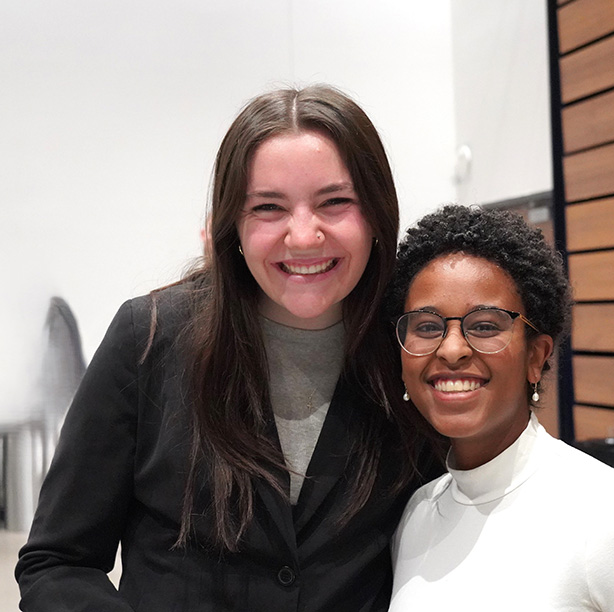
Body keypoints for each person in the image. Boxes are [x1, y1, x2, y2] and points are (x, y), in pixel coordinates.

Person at [16, 84, 439, 612]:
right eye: (268, 207)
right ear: (232, 225)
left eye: (335, 202)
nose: (303, 236)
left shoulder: (411, 349)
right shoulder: (149, 338)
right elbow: (58, 563)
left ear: (376, 213)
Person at [384, 204, 614, 611]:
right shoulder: (416, 516)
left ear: (536, 356)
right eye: (427, 327)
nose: (452, 350)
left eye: (484, 325)